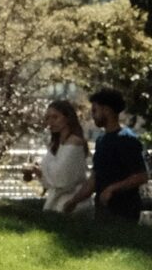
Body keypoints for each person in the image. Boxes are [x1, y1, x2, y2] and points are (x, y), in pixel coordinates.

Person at [83, 88, 146, 223]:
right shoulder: (101, 140)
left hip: (124, 211)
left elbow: (141, 176)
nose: (92, 115)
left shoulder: (127, 140)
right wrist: (73, 201)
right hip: (102, 209)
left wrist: (112, 189)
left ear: (106, 110)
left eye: (95, 110)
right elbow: (95, 177)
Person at [38, 98, 93, 213]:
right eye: (48, 118)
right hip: (56, 203)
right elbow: (51, 180)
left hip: (71, 204)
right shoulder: (55, 144)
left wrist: (41, 171)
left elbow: (62, 179)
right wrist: (37, 172)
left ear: (67, 118)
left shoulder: (74, 142)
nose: (51, 122)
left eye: (55, 117)